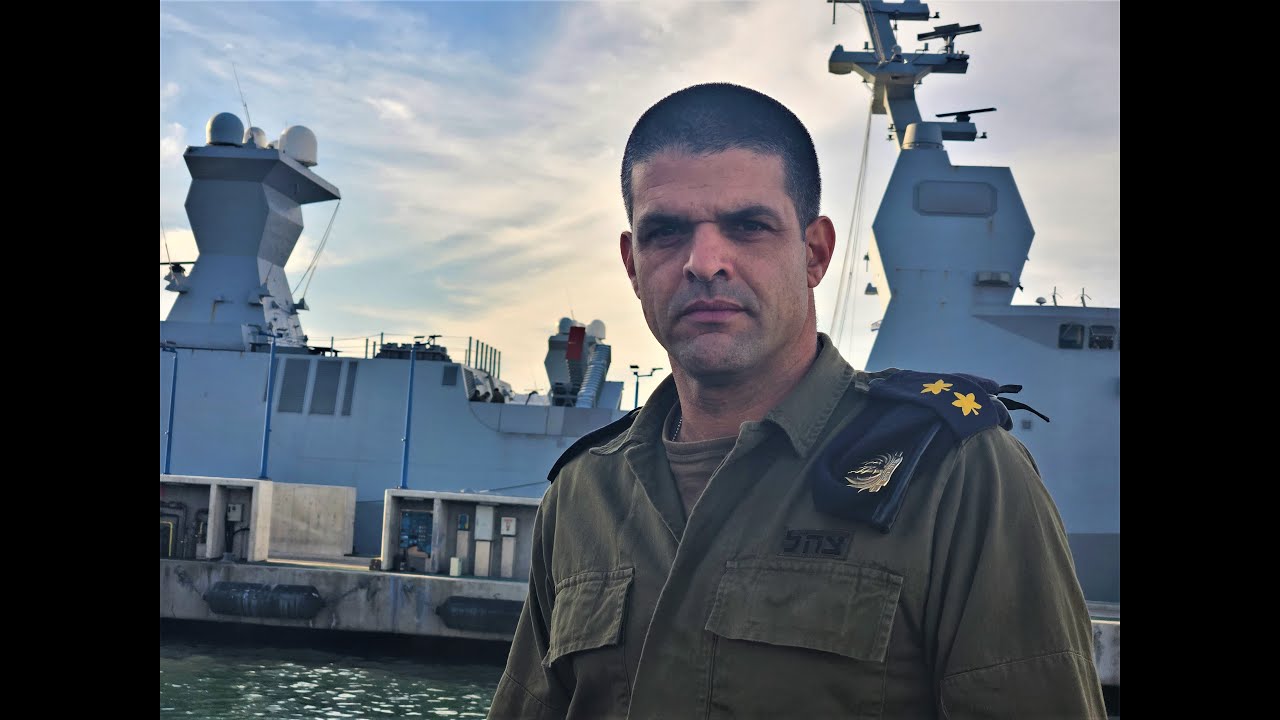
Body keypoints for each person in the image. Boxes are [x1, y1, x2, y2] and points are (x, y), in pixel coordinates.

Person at [488, 83, 1106, 719]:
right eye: (665, 232)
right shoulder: (583, 493)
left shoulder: (956, 476)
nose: (704, 262)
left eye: (748, 226)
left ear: (814, 253)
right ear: (632, 263)